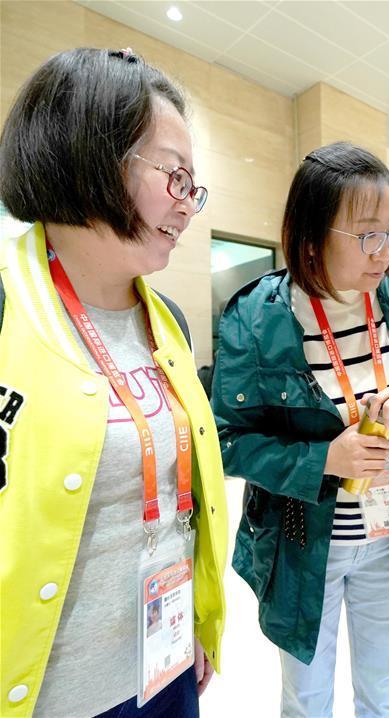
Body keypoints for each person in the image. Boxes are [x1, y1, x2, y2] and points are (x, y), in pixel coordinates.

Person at [0, 48, 227, 717]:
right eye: (174, 176)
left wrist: (194, 621)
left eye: (194, 186)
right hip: (48, 693)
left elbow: (181, 504)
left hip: (165, 665)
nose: (188, 206)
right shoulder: (8, 308)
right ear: (90, 155)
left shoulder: (168, 322)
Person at [211, 142, 389, 718]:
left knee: (386, 694)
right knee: (307, 700)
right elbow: (225, 440)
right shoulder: (257, 318)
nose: (386, 251)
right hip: (301, 544)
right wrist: (323, 459)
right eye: (367, 235)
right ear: (311, 236)